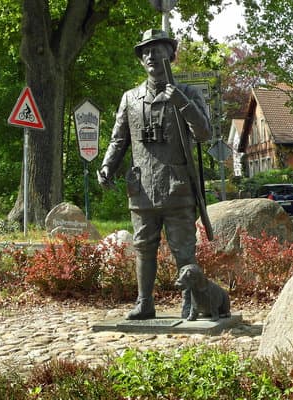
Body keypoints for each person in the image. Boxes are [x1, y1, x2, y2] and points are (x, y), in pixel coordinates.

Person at [97, 29, 212, 320]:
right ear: (141, 60)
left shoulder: (187, 93)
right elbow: (118, 139)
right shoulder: (130, 98)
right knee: (143, 246)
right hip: (142, 187)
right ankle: (144, 301)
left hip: (177, 187)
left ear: (170, 55)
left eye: (157, 49)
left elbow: (204, 133)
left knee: (183, 248)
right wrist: (108, 165)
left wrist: (182, 105)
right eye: (145, 51)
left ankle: (191, 303)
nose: (151, 55)